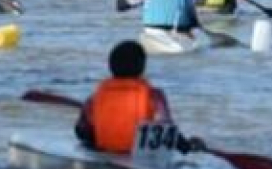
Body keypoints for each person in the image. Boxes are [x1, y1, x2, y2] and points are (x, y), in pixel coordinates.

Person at [74, 40, 204, 155]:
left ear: (110, 67)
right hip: (142, 159)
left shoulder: (95, 98)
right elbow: (165, 130)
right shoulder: (154, 96)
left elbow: (81, 130)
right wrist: (186, 146)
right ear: (142, 67)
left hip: (106, 153)